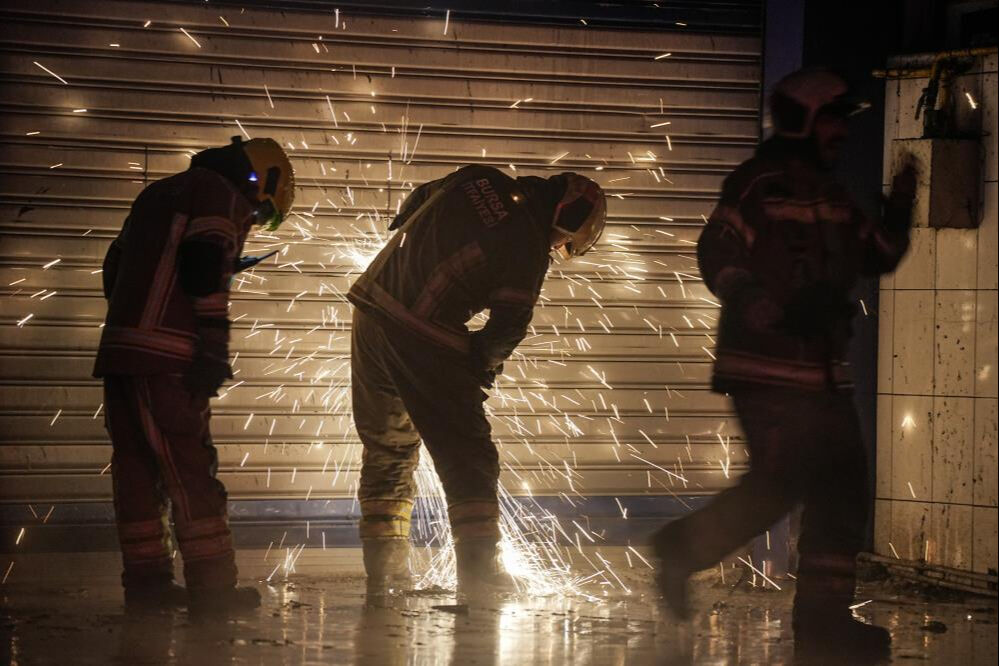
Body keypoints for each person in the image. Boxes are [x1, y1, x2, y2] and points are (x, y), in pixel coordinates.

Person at [651, 68, 916, 659]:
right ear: (801, 120)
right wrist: (759, 302)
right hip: (769, 371)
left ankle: (824, 622)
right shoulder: (759, 184)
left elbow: (878, 254)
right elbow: (716, 249)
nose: (842, 133)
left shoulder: (833, 194)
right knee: (782, 483)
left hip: (823, 375)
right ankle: (681, 549)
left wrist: (899, 210)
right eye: (833, 119)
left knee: (842, 490)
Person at [347, 165, 606, 598]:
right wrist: (481, 368)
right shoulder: (526, 239)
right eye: (563, 240)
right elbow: (509, 325)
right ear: (567, 218)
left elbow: (409, 209)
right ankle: (480, 572)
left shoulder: (475, 178)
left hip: (370, 309)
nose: (559, 246)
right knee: (469, 454)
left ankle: (385, 574)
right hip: (418, 330)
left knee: (388, 447)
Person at [93, 136, 295, 614]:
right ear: (261, 181)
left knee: (137, 470)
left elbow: (113, 265)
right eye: (260, 213)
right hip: (168, 357)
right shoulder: (221, 196)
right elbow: (205, 265)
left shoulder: (159, 192)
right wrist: (212, 345)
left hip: (122, 352)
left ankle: (147, 584)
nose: (253, 222)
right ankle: (213, 587)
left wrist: (133, 323)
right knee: (189, 467)